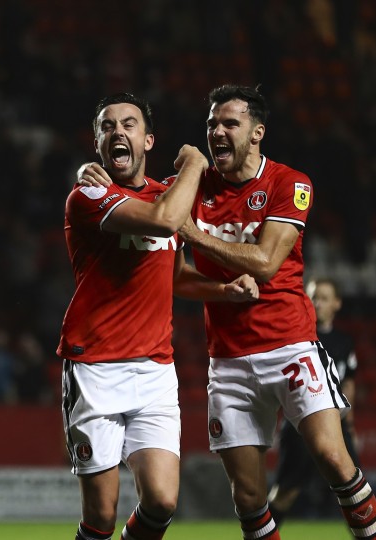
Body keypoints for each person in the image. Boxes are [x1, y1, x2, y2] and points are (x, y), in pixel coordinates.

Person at [76, 85, 376, 540]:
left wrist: (193, 233)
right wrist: (91, 170)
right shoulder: (192, 189)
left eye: (230, 124)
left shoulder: (289, 183)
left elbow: (264, 263)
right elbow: (150, 214)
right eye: (211, 125)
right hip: (229, 359)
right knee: (248, 497)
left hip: (291, 346)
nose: (217, 133)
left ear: (257, 132)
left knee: (334, 460)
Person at [60, 93, 259, 540]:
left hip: (154, 370)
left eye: (128, 124)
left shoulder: (163, 196)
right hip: (95, 368)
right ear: (97, 143)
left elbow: (173, 276)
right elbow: (166, 221)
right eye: (107, 126)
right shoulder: (89, 193)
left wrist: (222, 290)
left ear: (147, 140)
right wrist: (193, 161)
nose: (118, 132)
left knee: (163, 501)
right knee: (101, 518)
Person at [268, 277, 361, 524]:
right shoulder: (296, 337)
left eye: (324, 298)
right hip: (300, 425)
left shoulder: (344, 342)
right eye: (313, 297)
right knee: (287, 490)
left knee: (356, 493)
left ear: (337, 304)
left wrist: (350, 423)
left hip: (338, 425)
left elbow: (349, 381)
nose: (317, 303)